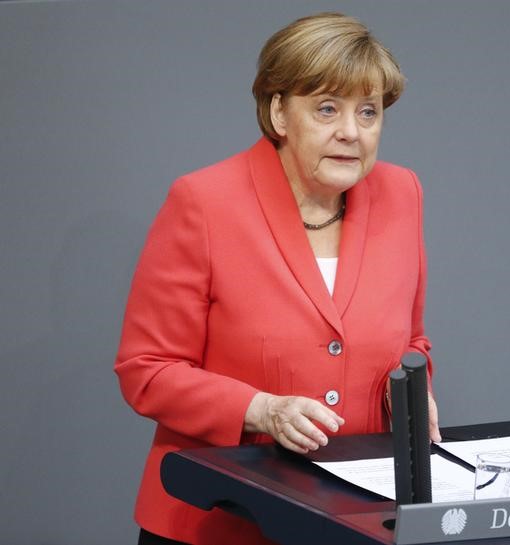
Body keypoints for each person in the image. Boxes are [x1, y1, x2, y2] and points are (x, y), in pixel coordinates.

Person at [115, 12, 439, 545]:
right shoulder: (204, 202)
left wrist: (414, 389)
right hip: (220, 518)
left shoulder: (402, 194)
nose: (350, 133)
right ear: (279, 113)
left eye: (368, 112)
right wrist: (261, 409)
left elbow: (411, 342)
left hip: (355, 518)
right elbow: (146, 370)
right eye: (327, 109)